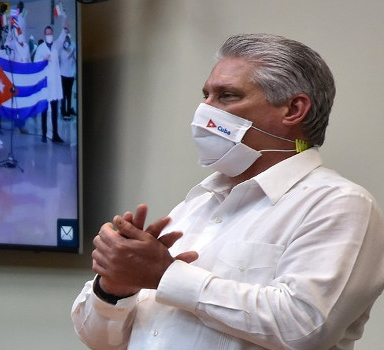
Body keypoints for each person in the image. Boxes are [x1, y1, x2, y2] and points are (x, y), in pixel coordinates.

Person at [71, 33, 384, 349]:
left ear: (293, 109)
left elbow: (304, 328)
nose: (204, 111)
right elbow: (100, 340)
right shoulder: (195, 206)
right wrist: (116, 285)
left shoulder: (339, 204)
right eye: (205, 95)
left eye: (227, 96)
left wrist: (165, 275)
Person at [33, 20, 68, 143]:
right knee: (44, 108)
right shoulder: (40, 48)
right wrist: (43, 59)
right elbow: (35, 63)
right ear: (44, 35)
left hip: (54, 84)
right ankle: (43, 133)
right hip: (45, 83)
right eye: (47, 34)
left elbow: (62, 36)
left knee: (54, 109)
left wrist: (65, 25)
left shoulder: (56, 46)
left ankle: (55, 134)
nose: (49, 36)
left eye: (51, 34)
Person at [59, 34, 76, 119]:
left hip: (70, 75)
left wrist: (73, 52)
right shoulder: (61, 51)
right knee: (63, 94)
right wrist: (71, 52)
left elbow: (76, 59)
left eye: (68, 39)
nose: (66, 41)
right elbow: (64, 59)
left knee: (69, 94)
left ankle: (69, 111)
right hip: (63, 75)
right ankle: (63, 111)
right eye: (65, 39)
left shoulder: (73, 49)